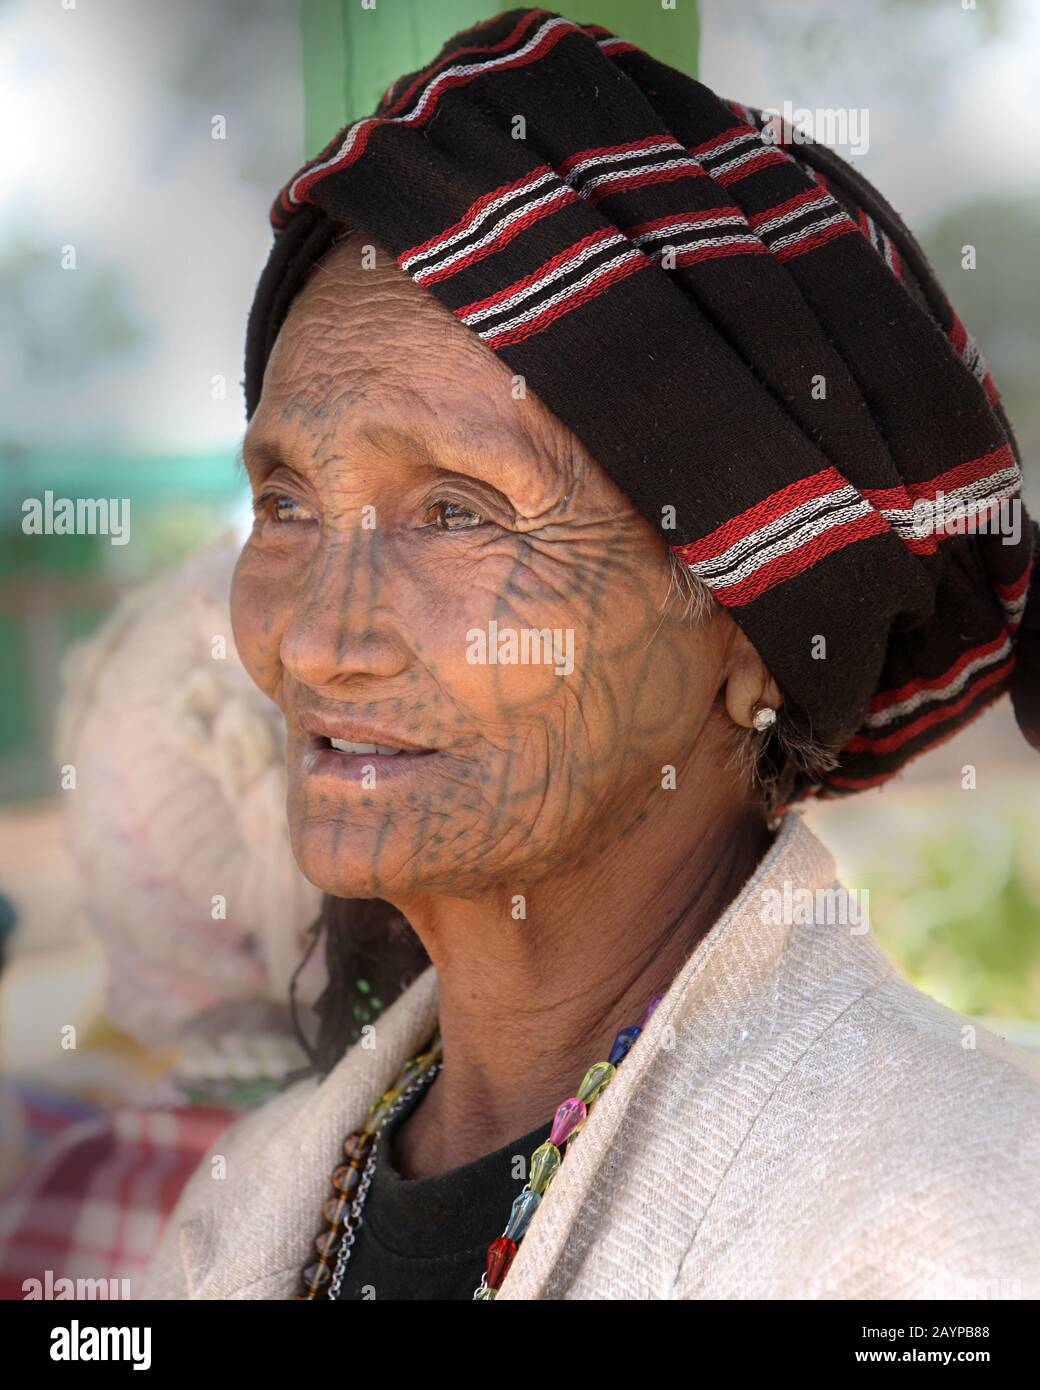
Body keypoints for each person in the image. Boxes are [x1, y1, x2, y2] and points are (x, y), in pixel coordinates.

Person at [140, 8, 1040, 1301]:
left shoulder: (950, 1233)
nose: (317, 639)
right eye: (285, 503)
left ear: (757, 635)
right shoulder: (246, 1207)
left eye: (457, 510)